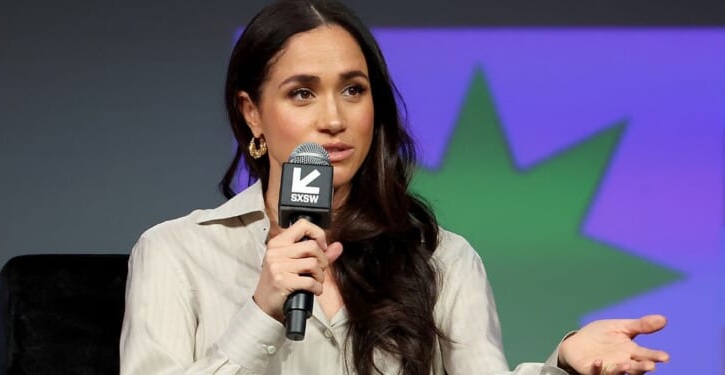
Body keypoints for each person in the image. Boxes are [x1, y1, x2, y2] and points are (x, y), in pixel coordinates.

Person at [119, 1, 670, 374]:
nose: (333, 118)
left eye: (353, 90)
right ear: (252, 114)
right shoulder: (175, 253)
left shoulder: (442, 259)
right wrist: (262, 311)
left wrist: (563, 364)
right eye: (302, 93)